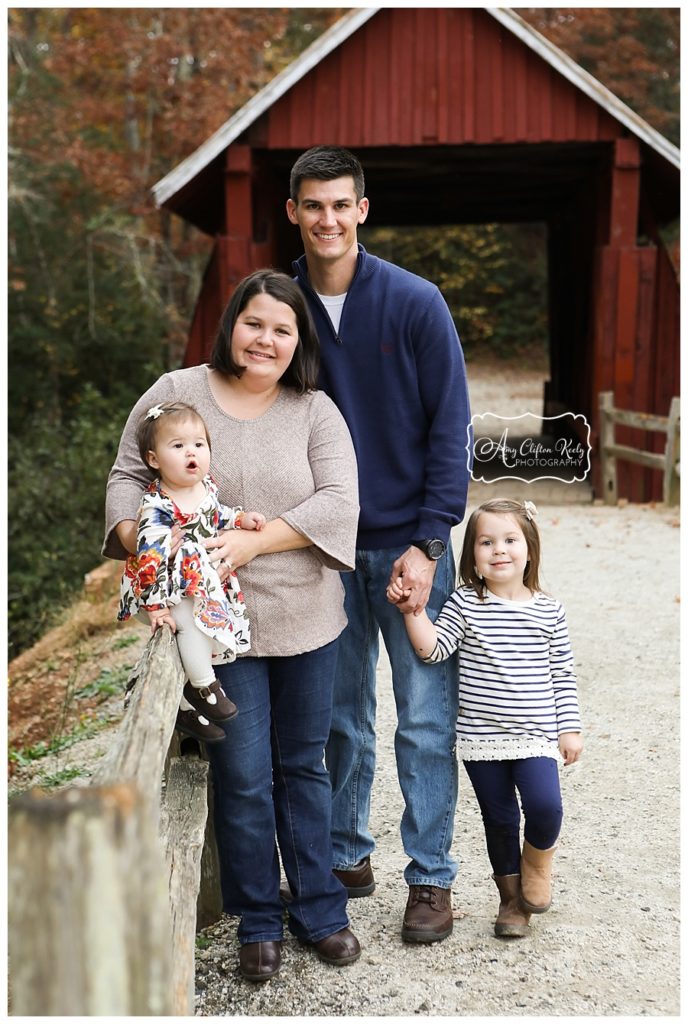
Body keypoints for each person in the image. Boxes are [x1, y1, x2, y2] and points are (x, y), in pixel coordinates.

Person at [103, 269, 361, 981]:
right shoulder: (174, 392)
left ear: (298, 340)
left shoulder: (315, 411)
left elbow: (341, 502)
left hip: (306, 615)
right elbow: (128, 471)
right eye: (255, 323)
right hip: (218, 628)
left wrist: (255, 541)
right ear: (232, 325)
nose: (266, 340)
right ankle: (257, 920)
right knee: (242, 773)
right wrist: (138, 540)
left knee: (303, 766)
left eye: (284, 329)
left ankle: (320, 910)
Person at [286, 145, 472, 943]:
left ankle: (430, 879)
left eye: (341, 204)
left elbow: (450, 429)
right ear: (293, 212)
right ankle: (345, 854)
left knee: (425, 718)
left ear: (363, 209)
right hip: (321, 550)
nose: (327, 219)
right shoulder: (276, 307)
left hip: (409, 545)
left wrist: (430, 543)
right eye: (312, 205)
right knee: (340, 716)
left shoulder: (415, 301)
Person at [387, 498, 583, 938]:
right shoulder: (465, 604)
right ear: (472, 554)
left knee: (545, 807)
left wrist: (569, 727)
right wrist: (414, 614)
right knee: (500, 820)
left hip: (535, 737)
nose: (499, 550)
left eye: (510, 540)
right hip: (482, 740)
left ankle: (537, 866)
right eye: (486, 542)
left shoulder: (549, 611)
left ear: (529, 548)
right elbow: (432, 650)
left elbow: (562, 675)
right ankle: (512, 903)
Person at [118, 400, 266, 744]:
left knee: (203, 620)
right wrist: (156, 607)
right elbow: (150, 560)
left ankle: (185, 707)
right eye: (178, 446)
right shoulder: (157, 505)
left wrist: (238, 520)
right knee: (189, 620)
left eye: (199, 444)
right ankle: (203, 685)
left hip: (192, 583)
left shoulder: (205, 488)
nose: (192, 453)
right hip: (157, 587)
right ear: (154, 460)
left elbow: (214, 515)